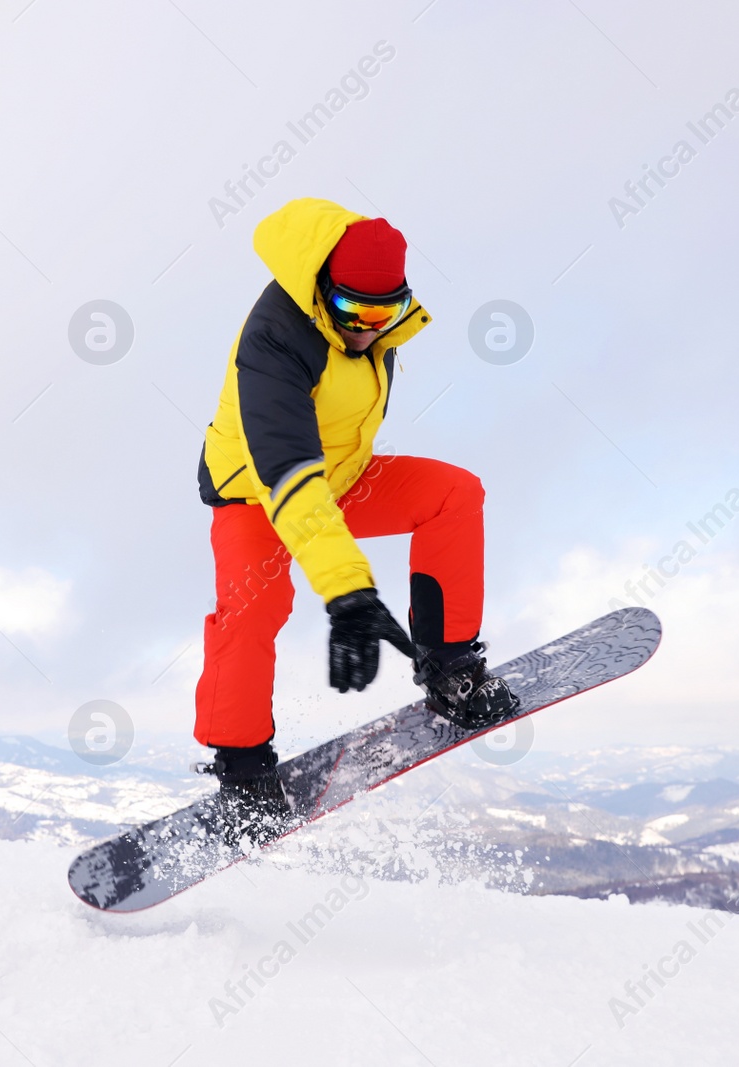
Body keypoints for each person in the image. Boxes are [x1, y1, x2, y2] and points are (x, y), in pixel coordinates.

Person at [193, 197, 517, 839]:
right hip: (259, 492)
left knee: (455, 494)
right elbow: (286, 472)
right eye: (353, 312)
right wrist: (350, 594)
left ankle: (451, 670)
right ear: (322, 293)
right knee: (253, 609)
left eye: (384, 313)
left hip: (339, 480)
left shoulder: (374, 324)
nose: (368, 328)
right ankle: (242, 773)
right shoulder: (273, 341)